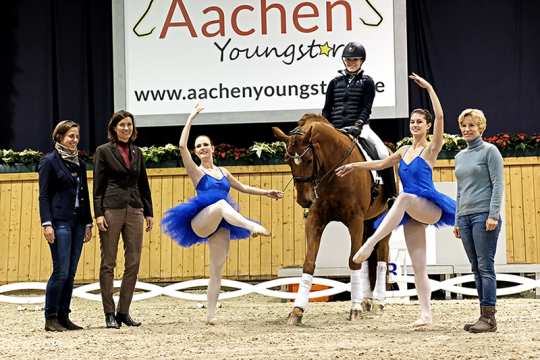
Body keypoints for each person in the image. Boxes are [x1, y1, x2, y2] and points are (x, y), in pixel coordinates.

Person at [335, 73, 456, 326]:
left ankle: (369, 243)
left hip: (429, 206)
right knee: (418, 266)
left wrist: (430, 88)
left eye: (420, 122)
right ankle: (426, 314)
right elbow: (380, 163)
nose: (415, 125)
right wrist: (353, 166)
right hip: (412, 210)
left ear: (427, 126)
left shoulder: (431, 148)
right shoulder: (403, 151)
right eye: (412, 122)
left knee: (402, 197)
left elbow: (442, 117)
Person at [161, 104, 283, 325]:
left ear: (213, 148)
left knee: (217, 270)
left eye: (206, 144)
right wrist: (191, 116)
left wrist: (268, 192)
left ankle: (210, 316)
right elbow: (181, 145)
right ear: (196, 151)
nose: (202, 148)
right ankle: (251, 226)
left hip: (221, 224)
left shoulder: (223, 172)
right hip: (201, 221)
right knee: (219, 204)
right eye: (199, 146)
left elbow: (244, 188)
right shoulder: (197, 172)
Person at [93, 111, 153, 329]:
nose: (126, 128)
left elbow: (143, 183)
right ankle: (109, 312)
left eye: (129, 125)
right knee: (108, 262)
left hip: (135, 208)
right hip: (111, 208)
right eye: (122, 125)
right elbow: (98, 185)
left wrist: (148, 211)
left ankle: (123, 312)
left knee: (134, 262)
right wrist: (98, 213)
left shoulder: (138, 152)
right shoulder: (103, 151)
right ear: (114, 128)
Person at [322, 41, 397, 202]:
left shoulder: (367, 82)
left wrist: (358, 125)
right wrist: (327, 127)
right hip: (336, 129)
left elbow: (366, 108)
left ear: (361, 60)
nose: (351, 63)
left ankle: (391, 195)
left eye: (354, 60)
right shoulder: (335, 82)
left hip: (360, 127)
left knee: (383, 153)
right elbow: (327, 109)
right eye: (348, 60)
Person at [38, 120, 93, 331]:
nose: (75, 140)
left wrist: (88, 222)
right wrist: (47, 223)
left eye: (77, 136)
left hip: (78, 222)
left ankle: (63, 316)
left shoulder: (79, 163)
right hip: (59, 222)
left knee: (70, 272)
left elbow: (84, 195)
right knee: (60, 271)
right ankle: (50, 317)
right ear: (59, 137)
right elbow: (43, 196)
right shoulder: (49, 161)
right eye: (71, 136)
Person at [454, 109, 504, 333]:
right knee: (475, 268)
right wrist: (457, 219)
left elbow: (498, 184)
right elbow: (460, 191)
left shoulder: (490, 151)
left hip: (484, 216)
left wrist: (493, 214)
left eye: (472, 125)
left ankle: (489, 317)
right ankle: (483, 316)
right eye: (464, 126)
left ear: (481, 128)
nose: (467, 129)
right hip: (464, 217)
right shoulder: (460, 156)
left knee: (485, 267)